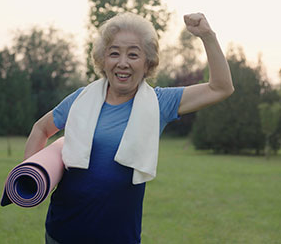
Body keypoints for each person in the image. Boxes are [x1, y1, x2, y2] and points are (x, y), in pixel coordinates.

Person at [23, 12, 234, 244]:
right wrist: (30, 179)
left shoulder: (159, 102)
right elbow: (41, 129)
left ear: (147, 63)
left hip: (119, 237)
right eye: (114, 53)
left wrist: (207, 36)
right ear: (103, 60)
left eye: (133, 54)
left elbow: (220, 88)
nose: (123, 63)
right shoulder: (80, 99)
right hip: (61, 233)